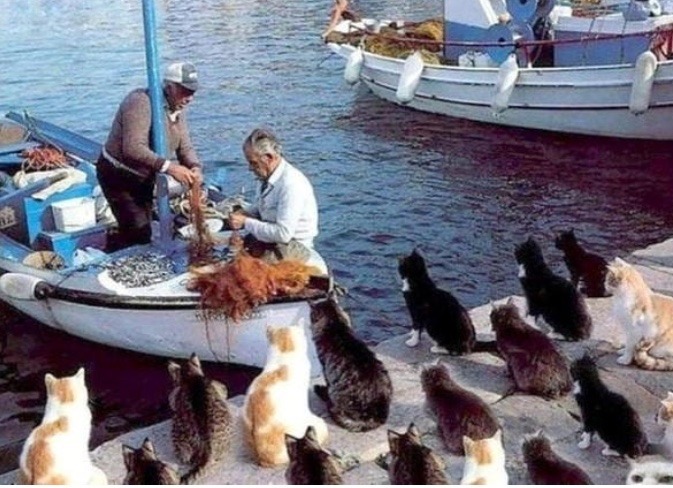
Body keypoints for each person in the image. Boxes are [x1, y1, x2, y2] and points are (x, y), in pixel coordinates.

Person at [96, 61, 203, 251]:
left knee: (145, 223)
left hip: (145, 177)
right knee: (139, 233)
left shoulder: (177, 108)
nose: (190, 98)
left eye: (192, 92)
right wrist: (170, 167)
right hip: (119, 176)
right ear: (169, 87)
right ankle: (116, 250)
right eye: (185, 91)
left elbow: (185, 146)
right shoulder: (141, 102)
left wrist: (195, 167)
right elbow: (133, 148)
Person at [228, 128, 318, 263]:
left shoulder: (291, 184)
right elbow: (262, 206)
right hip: (273, 238)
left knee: (244, 266)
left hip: (293, 246)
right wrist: (244, 212)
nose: (250, 168)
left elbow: (283, 234)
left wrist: (245, 222)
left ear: (269, 158)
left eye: (253, 163)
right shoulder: (266, 177)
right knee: (231, 251)